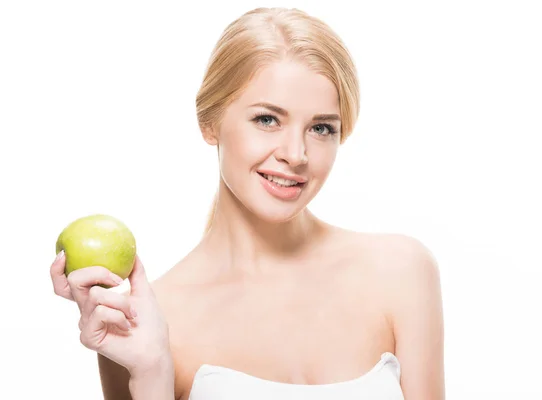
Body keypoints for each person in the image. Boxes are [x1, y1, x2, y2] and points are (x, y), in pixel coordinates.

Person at [50, 7, 445, 400]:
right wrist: (151, 373)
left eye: (321, 128)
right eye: (267, 120)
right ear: (210, 121)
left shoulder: (402, 272)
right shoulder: (148, 320)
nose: (296, 154)